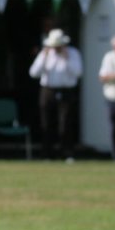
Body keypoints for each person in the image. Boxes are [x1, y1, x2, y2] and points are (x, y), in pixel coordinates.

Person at [29, 28, 83, 161]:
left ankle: (67, 153)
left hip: (66, 91)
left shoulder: (73, 53)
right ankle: (47, 153)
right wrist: (44, 57)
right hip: (48, 90)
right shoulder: (45, 54)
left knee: (65, 123)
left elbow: (78, 73)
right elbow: (34, 72)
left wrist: (66, 59)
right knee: (46, 123)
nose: (56, 48)